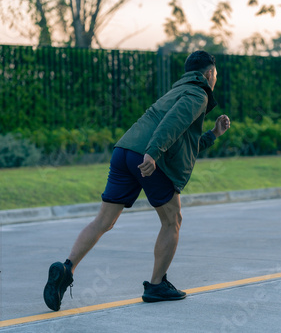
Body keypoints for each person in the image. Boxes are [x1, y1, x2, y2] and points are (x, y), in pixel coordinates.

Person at [43, 50, 231, 311]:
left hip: (124, 151)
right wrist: (153, 153)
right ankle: (156, 285)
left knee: (103, 221)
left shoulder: (176, 91)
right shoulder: (198, 93)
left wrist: (213, 134)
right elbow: (172, 124)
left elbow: (184, 143)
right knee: (172, 220)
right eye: (216, 75)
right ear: (210, 74)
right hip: (149, 158)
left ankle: (66, 268)